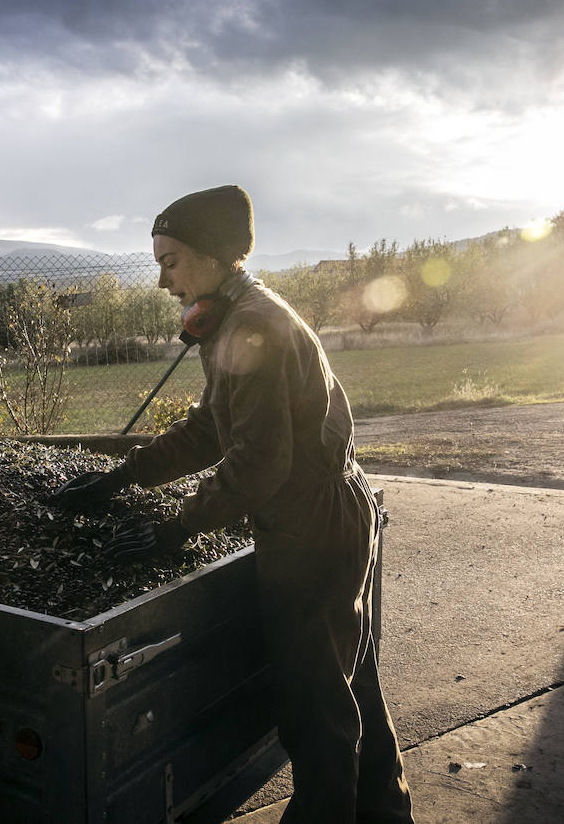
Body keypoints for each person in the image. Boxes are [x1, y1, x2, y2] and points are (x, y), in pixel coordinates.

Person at [53, 185, 413, 823]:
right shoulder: (240, 314)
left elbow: (257, 464)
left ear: (216, 257)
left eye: (171, 262)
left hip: (311, 524)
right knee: (349, 681)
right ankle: (387, 814)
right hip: (326, 511)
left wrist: (177, 528)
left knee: (314, 708)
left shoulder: (250, 325)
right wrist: (123, 478)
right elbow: (210, 431)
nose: (164, 282)